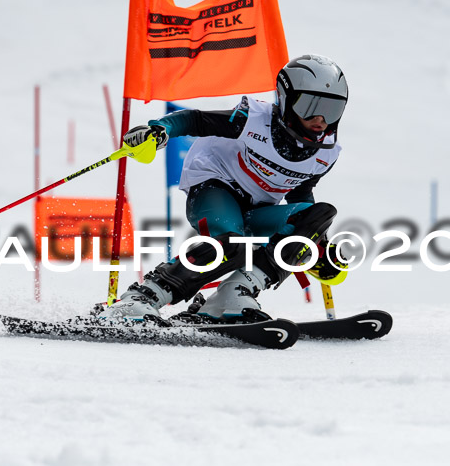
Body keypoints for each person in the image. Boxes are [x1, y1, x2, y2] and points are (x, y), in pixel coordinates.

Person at [98, 54, 350, 324]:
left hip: (257, 211)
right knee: (232, 243)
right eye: (309, 106)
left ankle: (233, 293)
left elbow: (299, 195)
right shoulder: (253, 120)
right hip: (215, 186)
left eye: (332, 109)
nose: (320, 119)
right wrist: (160, 130)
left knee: (319, 213)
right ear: (286, 99)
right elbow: (194, 120)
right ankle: (142, 297)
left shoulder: (326, 154)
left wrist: (314, 242)